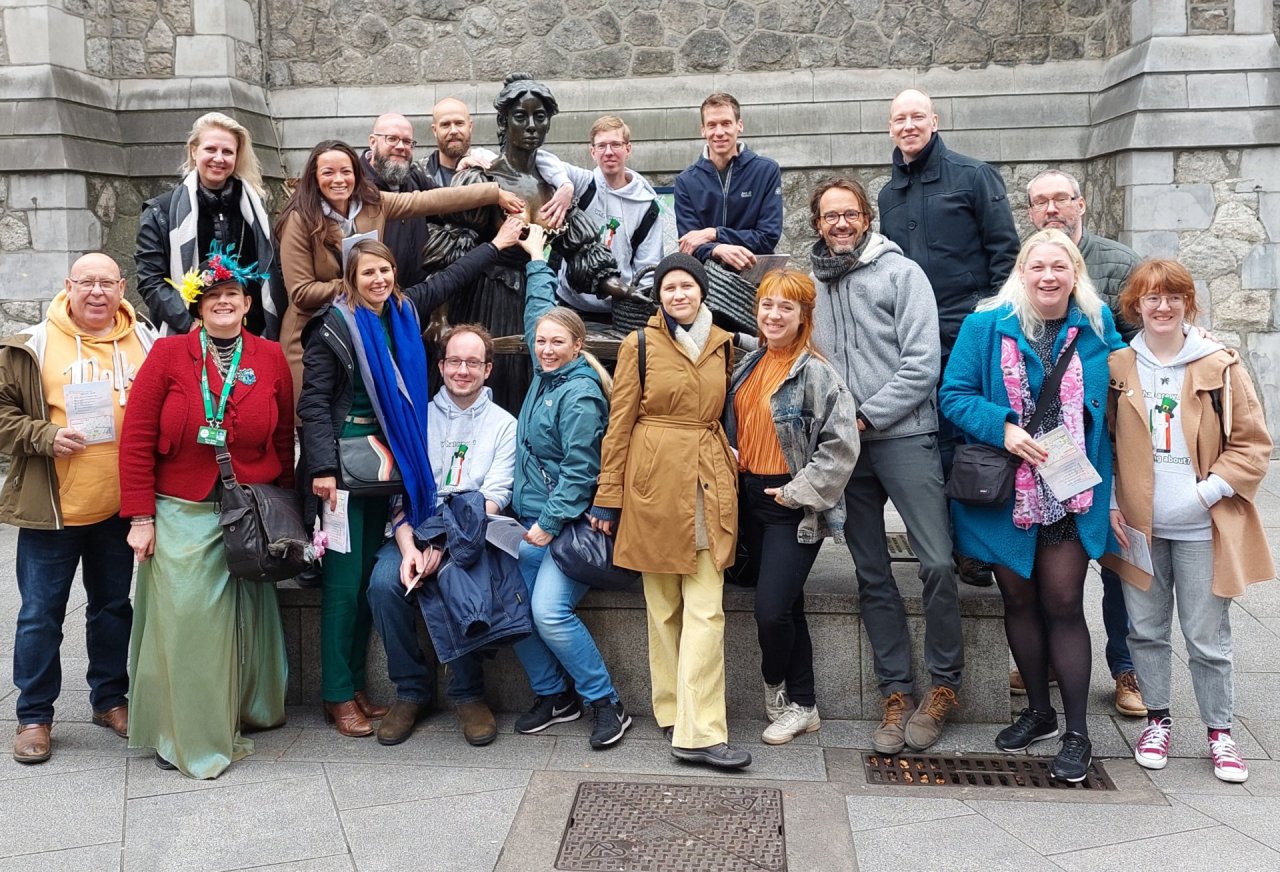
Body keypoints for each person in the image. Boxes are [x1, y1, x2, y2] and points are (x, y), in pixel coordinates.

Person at [298, 226, 524, 738]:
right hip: (344, 475)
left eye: (385, 270)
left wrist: (497, 242)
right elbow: (312, 403)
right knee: (344, 584)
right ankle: (338, 693)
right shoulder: (333, 326)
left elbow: (452, 277)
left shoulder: (401, 312)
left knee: (363, 582)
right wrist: (322, 469)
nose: (378, 279)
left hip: (390, 471)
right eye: (368, 272)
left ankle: (358, 685)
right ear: (350, 278)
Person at [939, 229, 1123, 782]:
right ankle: (1038, 713)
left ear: (1074, 275)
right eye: (1038, 266)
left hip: (1070, 488)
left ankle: (1077, 733)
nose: (1048, 276)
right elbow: (953, 395)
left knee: (1064, 603)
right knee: (1017, 601)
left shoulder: (1096, 326)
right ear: (1021, 271)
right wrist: (1004, 429)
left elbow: (1135, 375)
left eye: (1059, 267)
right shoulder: (984, 325)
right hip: (1003, 490)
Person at [119, 245, 293, 778]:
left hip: (249, 510)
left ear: (246, 304)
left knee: (247, 618)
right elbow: (137, 439)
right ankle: (191, 734)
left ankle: (246, 710)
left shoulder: (268, 357)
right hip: (182, 510)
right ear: (198, 306)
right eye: (213, 295)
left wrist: (284, 511)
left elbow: (284, 437)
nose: (224, 303)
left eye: (233, 296)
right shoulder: (168, 356)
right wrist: (141, 517)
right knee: (189, 624)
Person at [808, 178, 966, 754]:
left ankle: (945, 685)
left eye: (850, 214)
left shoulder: (902, 275)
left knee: (937, 562)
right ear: (817, 224)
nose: (841, 223)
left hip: (904, 436)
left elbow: (923, 364)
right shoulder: (812, 286)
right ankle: (896, 691)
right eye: (830, 216)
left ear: (867, 218)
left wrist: (865, 418)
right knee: (871, 573)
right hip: (847, 451)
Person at [1105, 259, 1274, 783]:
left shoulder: (1220, 365)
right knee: (1147, 631)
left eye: (1173, 297)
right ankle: (1157, 719)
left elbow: (1252, 444)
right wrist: (1112, 501)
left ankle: (1220, 733)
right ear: (1136, 305)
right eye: (1151, 298)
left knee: (1206, 636)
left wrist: (1205, 493)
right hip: (1138, 526)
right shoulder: (1117, 367)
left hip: (1203, 527)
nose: (1162, 306)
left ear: (1187, 303)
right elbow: (1104, 442)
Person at [591, 252, 750, 769]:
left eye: (686, 286)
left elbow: (722, 414)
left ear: (702, 290)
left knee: (706, 606)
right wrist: (607, 495)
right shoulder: (639, 345)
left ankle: (699, 731)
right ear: (658, 297)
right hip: (653, 482)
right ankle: (672, 709)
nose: (678, 295)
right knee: (662, 607)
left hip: (705, 480)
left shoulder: (723, 345)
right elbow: (618, 426)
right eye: (668, 288)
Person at [2, 253, 154, 765]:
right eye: (86, 282)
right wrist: (43, 435)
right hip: (55, 510)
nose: (96, 291)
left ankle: (109, 699)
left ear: (122, 287)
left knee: (113, 610)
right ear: (68, 285)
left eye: (106, 283)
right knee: (40, 616)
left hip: (120, 509)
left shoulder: (146, 339)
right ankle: (34, 716)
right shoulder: (32, 342)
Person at [878, 88, 1021, 588]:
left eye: (918, 116)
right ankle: (943, 543)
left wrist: (990, 321)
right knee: (930, 443)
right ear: (891, 128)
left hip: (970, 331)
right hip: (915, 338)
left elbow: (1006, 255)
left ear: (934, 121)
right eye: (900, 118)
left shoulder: (974, 176)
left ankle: (976, 547)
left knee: (973, 440)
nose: (909, 125)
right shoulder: (888, 194)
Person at [1024, 168, 1146, 717]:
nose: (1052, 209)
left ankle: (1126, 669)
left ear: (1081, 203)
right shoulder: (1021, 265)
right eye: (1040, 202)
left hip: (1109, 437)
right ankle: (1052, 660)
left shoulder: (1118, 263)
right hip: (1046, 453)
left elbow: (1139, 349)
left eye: (1061, 199)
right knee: (1056, 575)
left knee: (1116, 559)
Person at [506, 224, 632, 751]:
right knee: (513, 607)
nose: (547, 348)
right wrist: (537, 257)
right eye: (542, 342)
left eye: (558, 342)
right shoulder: (542, 369)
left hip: (563, 527)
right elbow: (539, 311)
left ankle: (605, 701)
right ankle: (553, 695)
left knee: (548, 613)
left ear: (579, 347)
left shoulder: (579, 395)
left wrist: (545, 525)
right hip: (531, 521)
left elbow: (582, 471)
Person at [276, 138, 524, 406]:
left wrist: (493, 193)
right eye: (328, 172)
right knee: (318, 419)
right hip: (313, 337)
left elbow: (427, 200)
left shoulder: (372, 204)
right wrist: (361, 285)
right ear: (314, 177)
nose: (339, 180)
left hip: (365, 333)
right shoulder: (300, 219)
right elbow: (301, 293)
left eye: (346, 171)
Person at [365, 322, 518, 747]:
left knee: (458, 576)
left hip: (469, 534)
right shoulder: (418, 418)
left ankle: (468, 693)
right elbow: (399, 489)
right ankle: (411, 690)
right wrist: (412, 545)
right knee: (384, 583)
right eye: (454, 361)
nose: (462, 370)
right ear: (441, 365)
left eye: (473, 362)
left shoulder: (505, 424)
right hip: (414, 526)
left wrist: (444, 544)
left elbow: (496, 495)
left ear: (488, 369)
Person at [724, 269, 859, 745]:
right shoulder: (748, 364)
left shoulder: (816, 372)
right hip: (747, 500)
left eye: (786, 307)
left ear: (804, 316)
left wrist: (796, 491)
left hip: (791, 507)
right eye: (767, 305)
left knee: (771, 610)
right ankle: (806, 705)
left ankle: (777, 690)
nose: (774, 314)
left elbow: (841, 446)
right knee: (788, 605)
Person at [440, 74, 624, 414]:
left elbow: (582, 249)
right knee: (493, 384)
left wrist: (618, 288)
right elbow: (449, 252)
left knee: (534, 383)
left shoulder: (554, 185)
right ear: (503, 121)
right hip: (485, 299)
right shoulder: (482, 177)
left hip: (538, 297)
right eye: (520, 117)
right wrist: (442, 317)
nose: (531, 126)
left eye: (540, 117)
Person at [136, 112, 282, 338]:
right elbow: (150, 281)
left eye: (228, 152)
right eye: (210, 149)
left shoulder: (256, 211)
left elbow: (274, 269)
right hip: (188, 332)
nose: (219, 158)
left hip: (252, 334)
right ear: (194, 151)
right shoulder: (160, 212)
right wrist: (190, 324)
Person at [556, 115, 663, 312]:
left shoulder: (647, 206)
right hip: (571, 304)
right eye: (601, 146)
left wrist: (638, 306)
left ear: (628, 149)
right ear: (592, 152)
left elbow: (648, 267)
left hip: (620, 308)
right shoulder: (583, 184)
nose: (608, 152)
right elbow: (541, 160)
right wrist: (564, 186)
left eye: (616, 144)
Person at [674, 93, 783, 271]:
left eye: (726, 123)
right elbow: (689, 244)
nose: (719, 133)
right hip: (707, 282)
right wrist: (718, 249)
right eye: (712, 125)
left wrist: (713, 233)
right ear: (703, 130)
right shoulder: (685, 181)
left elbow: (767, 237)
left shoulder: (766, 171)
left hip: (755, 276)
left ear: (739, 125)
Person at [361, 112, 439, 288]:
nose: (401, 146)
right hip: (376, 300)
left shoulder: (414, 178)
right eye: (392, 139)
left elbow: (447, 203)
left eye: (407, 141)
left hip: (418, 300)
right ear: (373, 142)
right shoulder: (355, 186)